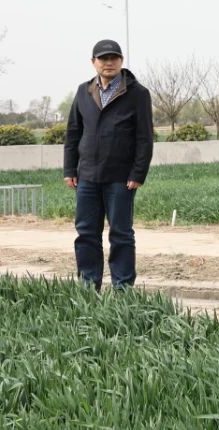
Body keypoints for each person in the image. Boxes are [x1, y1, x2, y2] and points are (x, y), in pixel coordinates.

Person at [63, 39, 154, 291]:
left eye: (114, 58)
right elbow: (73, 133)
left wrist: (138, 173)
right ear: (94, 62)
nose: (109, 63)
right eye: (103, 58)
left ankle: (122, 288)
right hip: (87, 177)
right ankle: (88, 286)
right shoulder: (83, 91)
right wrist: (70, 169)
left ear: (121, 61)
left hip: (121, 178)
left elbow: (144, 138)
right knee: (86, 233)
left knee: (121, 234)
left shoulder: (137, 93)